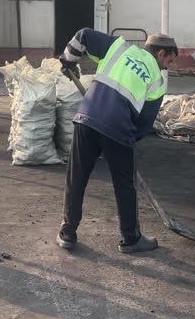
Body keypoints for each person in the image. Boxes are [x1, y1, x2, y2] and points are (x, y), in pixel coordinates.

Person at [57, 28, 178, 253]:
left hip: (86, 119)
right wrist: (131, 140)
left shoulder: (119, 47)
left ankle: (67, 232)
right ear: (160, 53)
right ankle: (130, 238)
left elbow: (83, 35)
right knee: (125, 185)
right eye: (169, 61)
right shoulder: (157, 80)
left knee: (77, 177)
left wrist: (69, 60)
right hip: (119, 130)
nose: (167, 67)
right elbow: (144, 122)